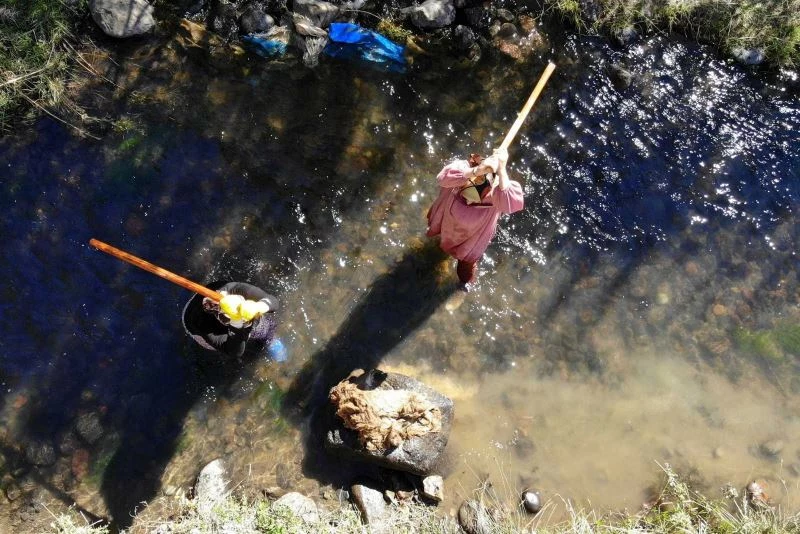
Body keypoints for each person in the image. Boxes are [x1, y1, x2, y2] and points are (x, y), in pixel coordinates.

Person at [426, 147, 524, 289]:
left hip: (472, 239)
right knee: (439, 243)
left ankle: (463, 287)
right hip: (446, 224)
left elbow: (512, 204)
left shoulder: (496, 194)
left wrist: (502, 169)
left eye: (476, 196)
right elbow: (442, 178)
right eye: (468, 192)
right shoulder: (463, 171)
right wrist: (476, 171)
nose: (469, 201)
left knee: (465, 269)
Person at [182, 281, 279, 359]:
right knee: (228, 347)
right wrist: (236, 325)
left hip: (208, 291)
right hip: (191, 321)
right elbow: (235, 352)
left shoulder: (234, 289)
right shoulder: (203, 325)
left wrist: (258, 306)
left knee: (264, 327)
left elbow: (273, 301)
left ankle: (270, 341)